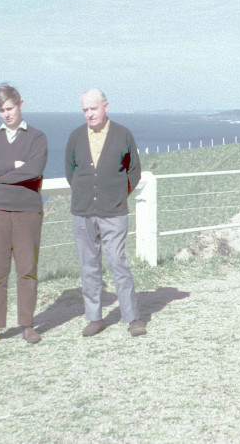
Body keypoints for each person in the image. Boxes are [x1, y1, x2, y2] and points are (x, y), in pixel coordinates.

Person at [65, 88, 146, 337]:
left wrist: (117, 197)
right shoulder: (76, 137)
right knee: (88, 265)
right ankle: (94, 318)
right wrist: (87, 194)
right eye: (85, 110)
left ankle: (132, 317)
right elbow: (71, 172)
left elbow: (134, 172)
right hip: (83, 212)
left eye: (93, 108)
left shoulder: (123, 135)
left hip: (114, 212)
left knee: (117, 262)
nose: (89, 114)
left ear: (106, 107)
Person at [0, 83, 48, 346]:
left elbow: (35, 170)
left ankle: (27, 325)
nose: (7, 114)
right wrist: (15, 165)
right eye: (2, 110)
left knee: (27, 269)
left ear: (20, 105)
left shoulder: (37, 137)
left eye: (10, 108)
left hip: (27, 210)